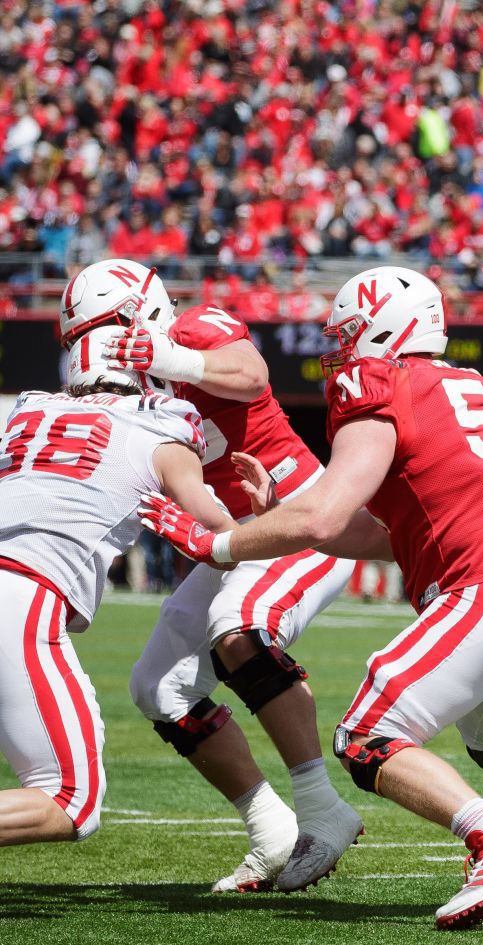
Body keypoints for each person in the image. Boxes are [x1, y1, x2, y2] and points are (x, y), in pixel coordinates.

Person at [140, 266, 483, 927]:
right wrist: (284, 509)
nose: (338, 349)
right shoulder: (465, 383)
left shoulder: (375, 381)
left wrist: (218, 541)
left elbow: (325, 518)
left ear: (388, 325)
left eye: (348, 332)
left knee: (366, 735)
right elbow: (384, 534)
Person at [60, 258, 360, 893]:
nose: (98, 348)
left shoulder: (190, 332)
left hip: (297, 517)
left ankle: (320, 806)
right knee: (157, 688)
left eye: (107, 329)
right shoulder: (120, 393)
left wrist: (169, 359)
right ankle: (270, 828)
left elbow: (252, 375)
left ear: (141, 315)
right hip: (233, 536)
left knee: (238, 625)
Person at [0, 327, 232, 848]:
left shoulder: (27, 413)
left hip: (16, 581)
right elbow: (224, 535)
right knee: (68, 800)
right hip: (20, 596)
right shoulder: (158, 430)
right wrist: (265, 513)